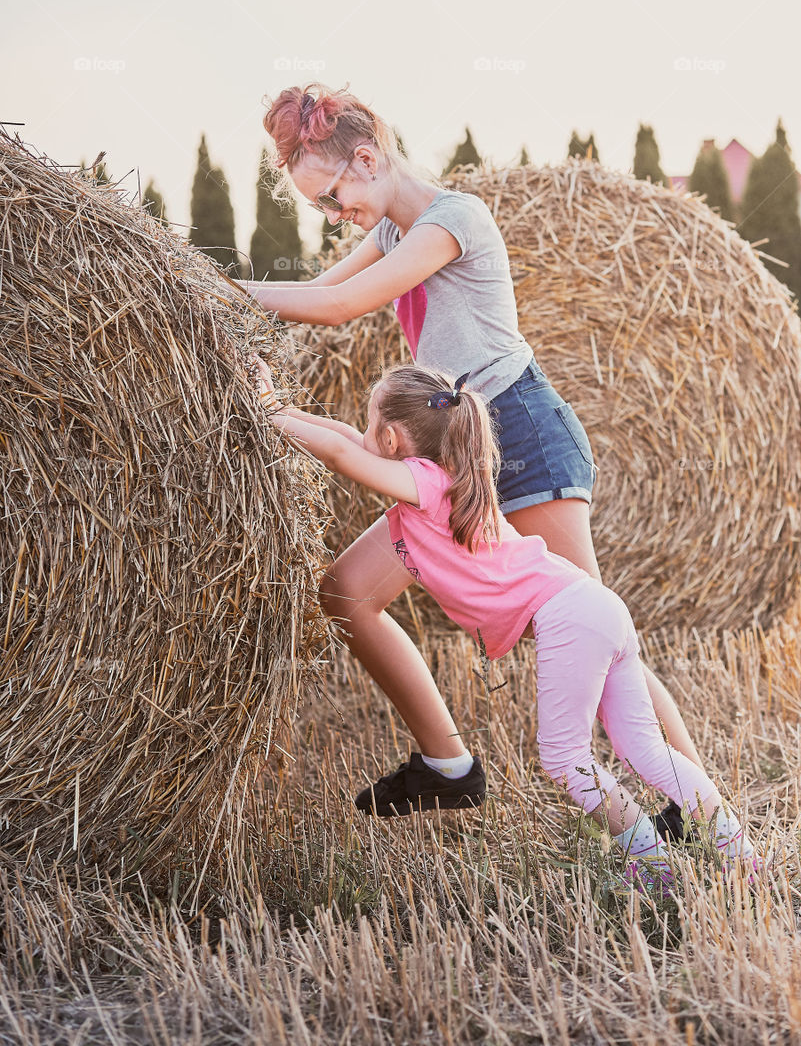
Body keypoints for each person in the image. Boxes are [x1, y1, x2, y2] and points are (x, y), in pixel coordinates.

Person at [243, 82, 702, 828]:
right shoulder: (391, 231)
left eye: (330, 196)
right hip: (454, 449)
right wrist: (221, 308)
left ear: (366, 157)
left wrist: (207, 288)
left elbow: (338, 306)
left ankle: (697, 803)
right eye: (319, 208)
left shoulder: (454, 220)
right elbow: (315, 288)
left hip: (519, 434)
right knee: (346, 595)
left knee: (599, 628)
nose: (332, 215)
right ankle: (447, 764)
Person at [252, 358, 757, 883]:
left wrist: (268, 412)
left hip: (569, 616)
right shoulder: (454, 475)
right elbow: (346, 438)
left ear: (394, 438)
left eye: (371, 421)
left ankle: (651, 864)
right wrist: (281, 409)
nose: (363, 431)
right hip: (595, 604)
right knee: (644, 748)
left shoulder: (423, 485)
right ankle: (738, 852)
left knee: (565, 759)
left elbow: (338, 451)